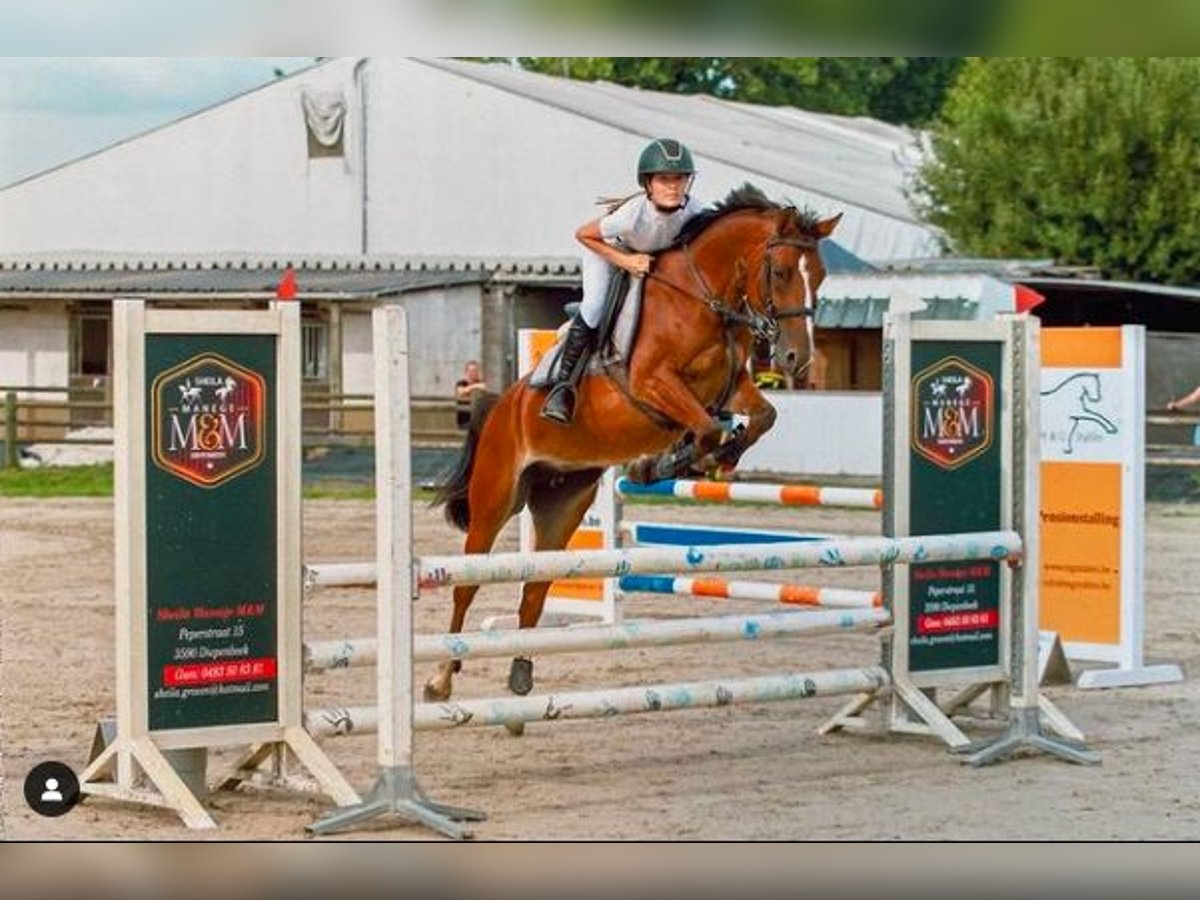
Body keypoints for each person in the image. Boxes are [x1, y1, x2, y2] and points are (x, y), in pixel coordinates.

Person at [541, 138, 707, 425]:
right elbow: (583, 234)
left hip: (648, 259)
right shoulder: (632, 215)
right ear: (648, 184)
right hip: (608, 252)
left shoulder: (696, 210)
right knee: (594, 306)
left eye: (679, 179)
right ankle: (562, 388)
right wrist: (626, 262)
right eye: (664, 179)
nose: (673, 186)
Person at [455, 360, 487, 429]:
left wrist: (472, 387)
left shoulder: (481, 382)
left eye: (475, 371)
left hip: (479, 421)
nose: (472, 373)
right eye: (470, 371)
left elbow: (486, 387)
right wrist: (474, 386)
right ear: (466, 372)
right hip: (464, 421)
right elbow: (461, 391)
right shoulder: (461, 383)